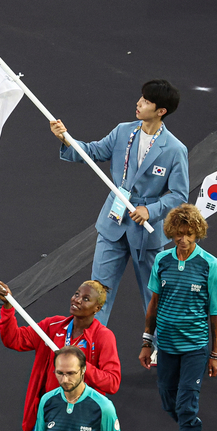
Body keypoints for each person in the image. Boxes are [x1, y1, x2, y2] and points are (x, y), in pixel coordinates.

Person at [50, 79, 188, 328]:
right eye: (141, 97)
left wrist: (151, 210)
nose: (138, 103)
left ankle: (158, 345)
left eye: (146, 101)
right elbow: (92, 152)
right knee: (96, 292)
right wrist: (67, 139)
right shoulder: (123, 131)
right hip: (113, 223)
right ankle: (90, 348)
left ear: (161, 111)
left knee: (153, 295)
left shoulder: (175, 149)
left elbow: (179, 195)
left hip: (147, 230)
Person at [0, 279, 121, 431]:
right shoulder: (52, 326)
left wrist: (77, 365)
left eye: (86, 299)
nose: (77, 300)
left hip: (83, 416)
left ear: (97, 308)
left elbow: (112, 382)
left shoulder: (103, 337)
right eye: (77, 294)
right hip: (50, 411)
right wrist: (8, 308)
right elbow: (14, 339)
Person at [139, 204, 217, 431]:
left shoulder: (210, 264)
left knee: (186, 404)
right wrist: (147, 341)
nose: (183, 239)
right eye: (179, 233)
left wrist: (215, 354)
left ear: (198, 233)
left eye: (189, 234)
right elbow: (153, 303)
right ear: (171, 232)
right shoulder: (162, 260)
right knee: (169, 403)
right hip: (165, 347)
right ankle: (190, 427)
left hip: (194, 348)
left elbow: (216, 312)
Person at [34, 346, 121, 431]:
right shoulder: (47, 400)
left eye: (71, 373)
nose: (65, 380)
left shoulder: (103, 407)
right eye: (59, 373)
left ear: (83, 369)